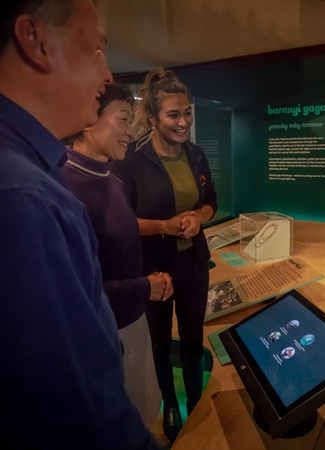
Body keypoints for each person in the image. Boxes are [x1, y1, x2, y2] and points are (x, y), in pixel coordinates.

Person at [0, 1, 161, 449]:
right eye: (94, 49)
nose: (108, 74)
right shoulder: (24, 197)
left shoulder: (35, 173)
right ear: (34, 40)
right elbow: (73, 406)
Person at [112, 67, 217, 443]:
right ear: (154, 118)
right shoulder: (132, 160)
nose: (183, 121)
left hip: (193, 265)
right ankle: (170, 404)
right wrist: (165, 226)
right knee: (159, 342)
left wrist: (198, 218)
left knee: (192, 337)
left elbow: (211, 203)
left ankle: (195, 398)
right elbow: (122, 222)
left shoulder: (196, 153)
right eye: (174, 114)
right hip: (154, 271)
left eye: (187, 112)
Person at [62, 81, 173, 428]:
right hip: (103, 334)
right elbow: (73, 293)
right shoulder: (63, 187)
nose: (131, 131)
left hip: (132, 321)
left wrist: (153, 274)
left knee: (141, 414)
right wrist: (145, 287)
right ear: (86, 120)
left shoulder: (112, 180)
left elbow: (123, 248)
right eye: (123, 119)